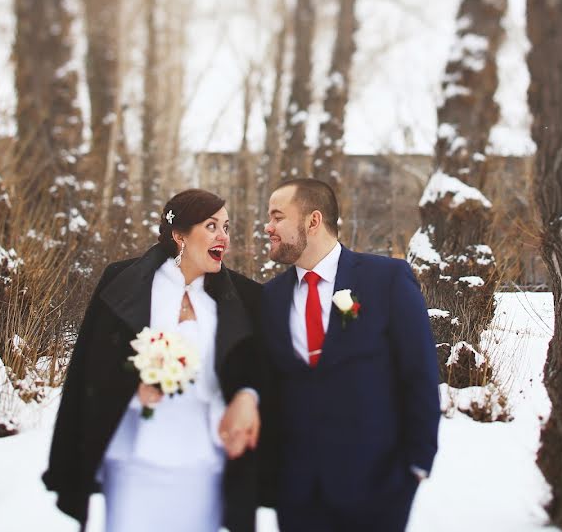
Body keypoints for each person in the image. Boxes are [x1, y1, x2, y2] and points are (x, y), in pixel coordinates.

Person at [42, 189, 266, 532]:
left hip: (204, 462)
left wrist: (248, 397)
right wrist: (134, 389)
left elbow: (257, 366)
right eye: (211, 226)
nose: (224, 236)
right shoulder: (124, 282)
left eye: (226, 226)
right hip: (135, 460)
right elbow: (90, 366)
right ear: (179, 235)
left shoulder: (244, 296)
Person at [259, 178, 441, 532]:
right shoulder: (271, 298)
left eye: (277, 217)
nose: (268, 227)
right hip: (298, 497)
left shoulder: (386, 279)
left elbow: (418, 373)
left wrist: (416, 466)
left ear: (313, 221)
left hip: (378, 490)